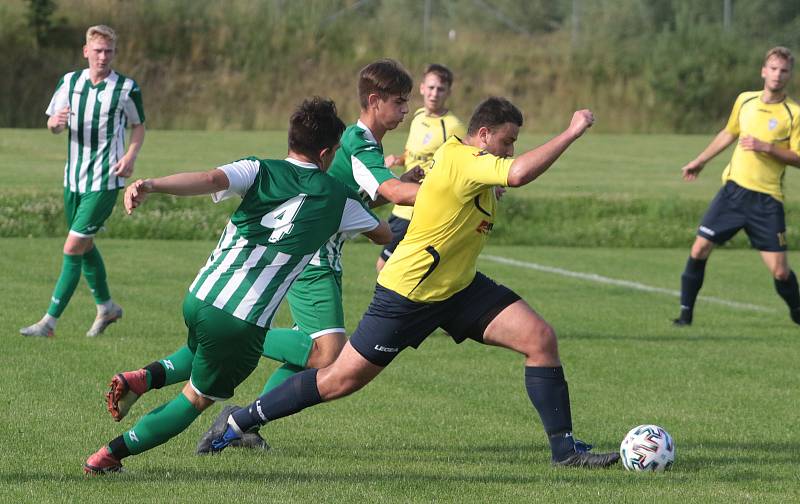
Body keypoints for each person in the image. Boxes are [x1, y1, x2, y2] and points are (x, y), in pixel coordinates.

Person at [208, 97, 621, 468]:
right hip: (409, 293)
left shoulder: (470, 162)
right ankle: (237, 420)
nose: (510, 150)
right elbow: (517, 175)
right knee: (339, 380)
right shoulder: (464, 158)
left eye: (514, 143)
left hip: (460, 289)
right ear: (482, 135)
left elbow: (491, 182)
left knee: (540, 339)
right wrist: (571, 131)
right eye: (507, 141)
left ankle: (565, 452)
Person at [83, 97, 392, 474]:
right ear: (327, 153)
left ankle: (144, 378)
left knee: (201, 351)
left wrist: (151, 184)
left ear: (291, 140)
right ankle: (109, 455)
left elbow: (211, 179)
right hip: (242, 319)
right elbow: (382, 233)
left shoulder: (258, 168)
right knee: (196, 398)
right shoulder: (339, 198)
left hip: (200, 295)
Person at [194, 59, 424, 451]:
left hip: (325, 254)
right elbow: (387, 197)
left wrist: (397, 185)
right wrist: (445, 191)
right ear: (375, 100)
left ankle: (244, 421)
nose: (405, 110)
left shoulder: (359, 143)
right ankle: (240, 335)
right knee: (329, 353)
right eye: (400, 102)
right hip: (314, 254)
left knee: (316, 354)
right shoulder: (359, 142)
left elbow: (359, 208)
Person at [20, 25, 145, 338]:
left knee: (73, 246)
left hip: (106, 180)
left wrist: (130, 156)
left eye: (109, 52)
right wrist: (54, 124)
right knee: (85, 245)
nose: (103, 57)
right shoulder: (70, 82)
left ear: (114, 53)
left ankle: (49, 323)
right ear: (86, 51)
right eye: (98, 51)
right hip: (73, 179)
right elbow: (52, 123)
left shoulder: (126, 88)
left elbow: (138, 127)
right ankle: (107, 307)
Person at [674, 46, 800, 327]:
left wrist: (766, 147)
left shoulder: (793, 113)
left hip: (767, 200)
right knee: (699, 249)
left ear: (789, 76)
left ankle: (798, 312)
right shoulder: (745, 100)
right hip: (733, 193)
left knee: (780, 272)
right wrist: (700, 160)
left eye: (784, 70)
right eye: (774, 69)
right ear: (763, 71)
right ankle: (685, 318)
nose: (778, 75)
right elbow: (729, 132)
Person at [377, 63, 466, 272]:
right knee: (404, 269)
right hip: (401, 204)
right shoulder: (417, 116)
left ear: (448, 92)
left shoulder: (452, 126)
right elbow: (414, 152)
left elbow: (471, 158)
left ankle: (389, 305)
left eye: (440, 89)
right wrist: (399, 159)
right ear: (422, 88)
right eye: (431, 87)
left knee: (385, 266)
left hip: (421, 207)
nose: (435, 94)